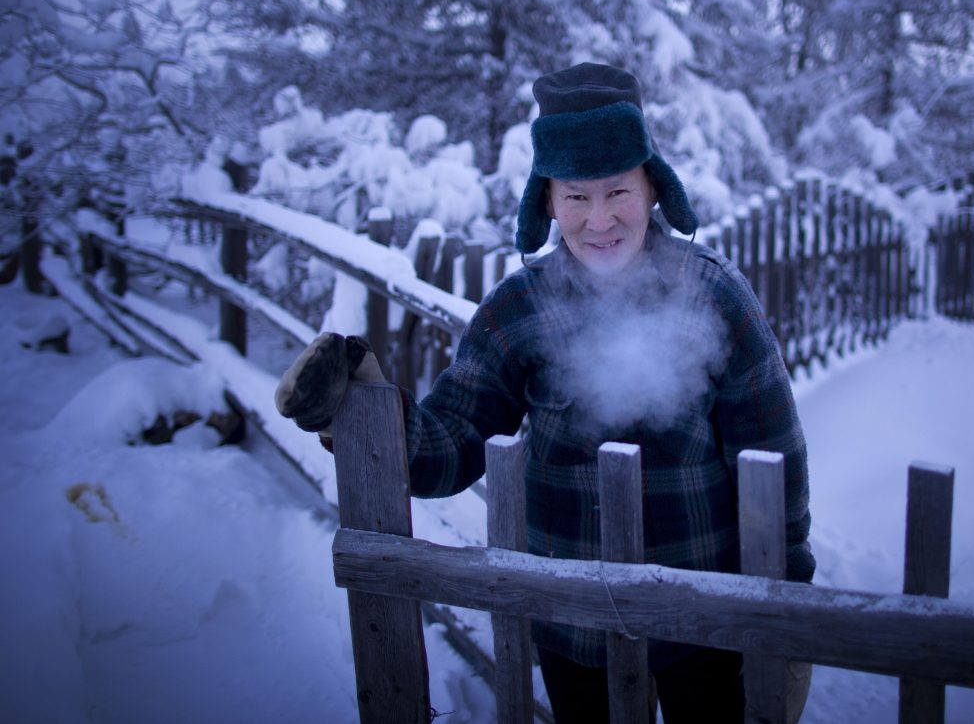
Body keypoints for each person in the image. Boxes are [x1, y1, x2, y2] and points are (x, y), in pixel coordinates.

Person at [276, 62, 813, 722]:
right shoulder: (517, 311)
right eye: (576, 196)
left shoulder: (715, 296)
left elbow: (774, 456)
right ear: (548, 201)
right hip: (572, 626)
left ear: (651, 186)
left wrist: (790, 612)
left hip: (702, 620)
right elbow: (449, 446)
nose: (599, 220)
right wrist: (360, 409)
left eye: (617, 192)